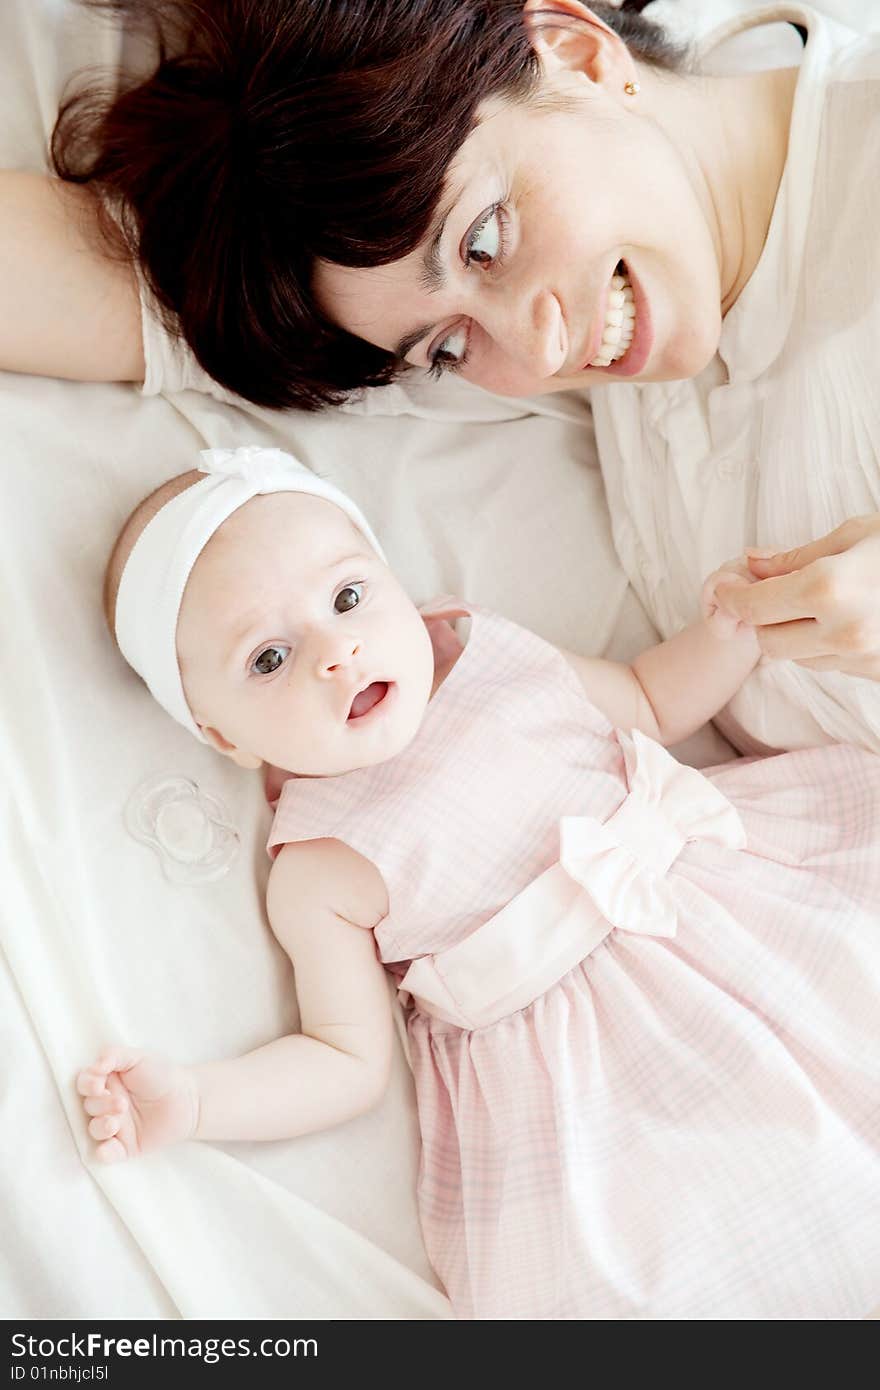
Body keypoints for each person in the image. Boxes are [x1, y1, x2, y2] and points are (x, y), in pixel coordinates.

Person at [76, 444, 880, 1320]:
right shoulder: (318, 866)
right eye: (269, 659)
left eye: (348, 598)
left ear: (393, 583)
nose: (336, 655)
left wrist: (728, 639)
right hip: (588, 1084)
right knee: (703, 1247)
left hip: (725, 899)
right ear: (223, 736)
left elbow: (649, 704)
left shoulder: (493, 657)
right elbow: (344, 1060)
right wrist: (197, 1101)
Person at [3, 1, 880, 733]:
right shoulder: (551, 362)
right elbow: (96, 289)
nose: (540, 353)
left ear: (574, 51)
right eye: (446, 346)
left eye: (487, 239)